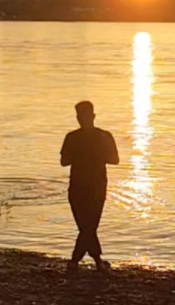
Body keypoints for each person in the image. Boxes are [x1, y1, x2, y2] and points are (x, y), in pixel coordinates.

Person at [60, 100, 119, 273]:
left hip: (89, 186)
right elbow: (114, 159)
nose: (82, 119)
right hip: (90, 186)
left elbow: (64, 161)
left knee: (87, 225)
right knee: (88, 226)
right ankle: (95, 261)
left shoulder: (73, 137)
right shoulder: (102, 136)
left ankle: (77, 261)